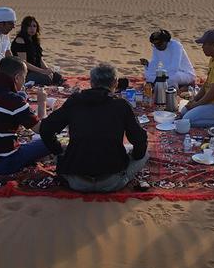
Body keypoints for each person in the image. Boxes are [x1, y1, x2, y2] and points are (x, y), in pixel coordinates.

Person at [40, 63, 148, 192]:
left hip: (75, 180)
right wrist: (133, 156)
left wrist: (58, 150)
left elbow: (45, 128)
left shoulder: (75, 101)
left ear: (91, 83)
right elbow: (140, 140)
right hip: (112, 182)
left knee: (64, 152)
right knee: (145, 153)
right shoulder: (121, 105)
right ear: (115, 83)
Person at [0, 56, 55, 175]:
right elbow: (41, 130)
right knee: (50, 142)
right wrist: (42, 102)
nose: (24, 81)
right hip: (0, 163)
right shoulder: (14, 100)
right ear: (17, 78)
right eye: (24, 77)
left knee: (22, 94)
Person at [11, 16, 64, 86]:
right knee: (46, 79)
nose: (32, 28)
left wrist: (47, 70)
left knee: (57, 77)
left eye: (34, 26)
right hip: (25, 72)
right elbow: (23, 63)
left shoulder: (34, 41)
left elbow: (40, 60)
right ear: (25, 27)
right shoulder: (20, 40)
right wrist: (42, 71)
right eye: (29, 26)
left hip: (36, 70)